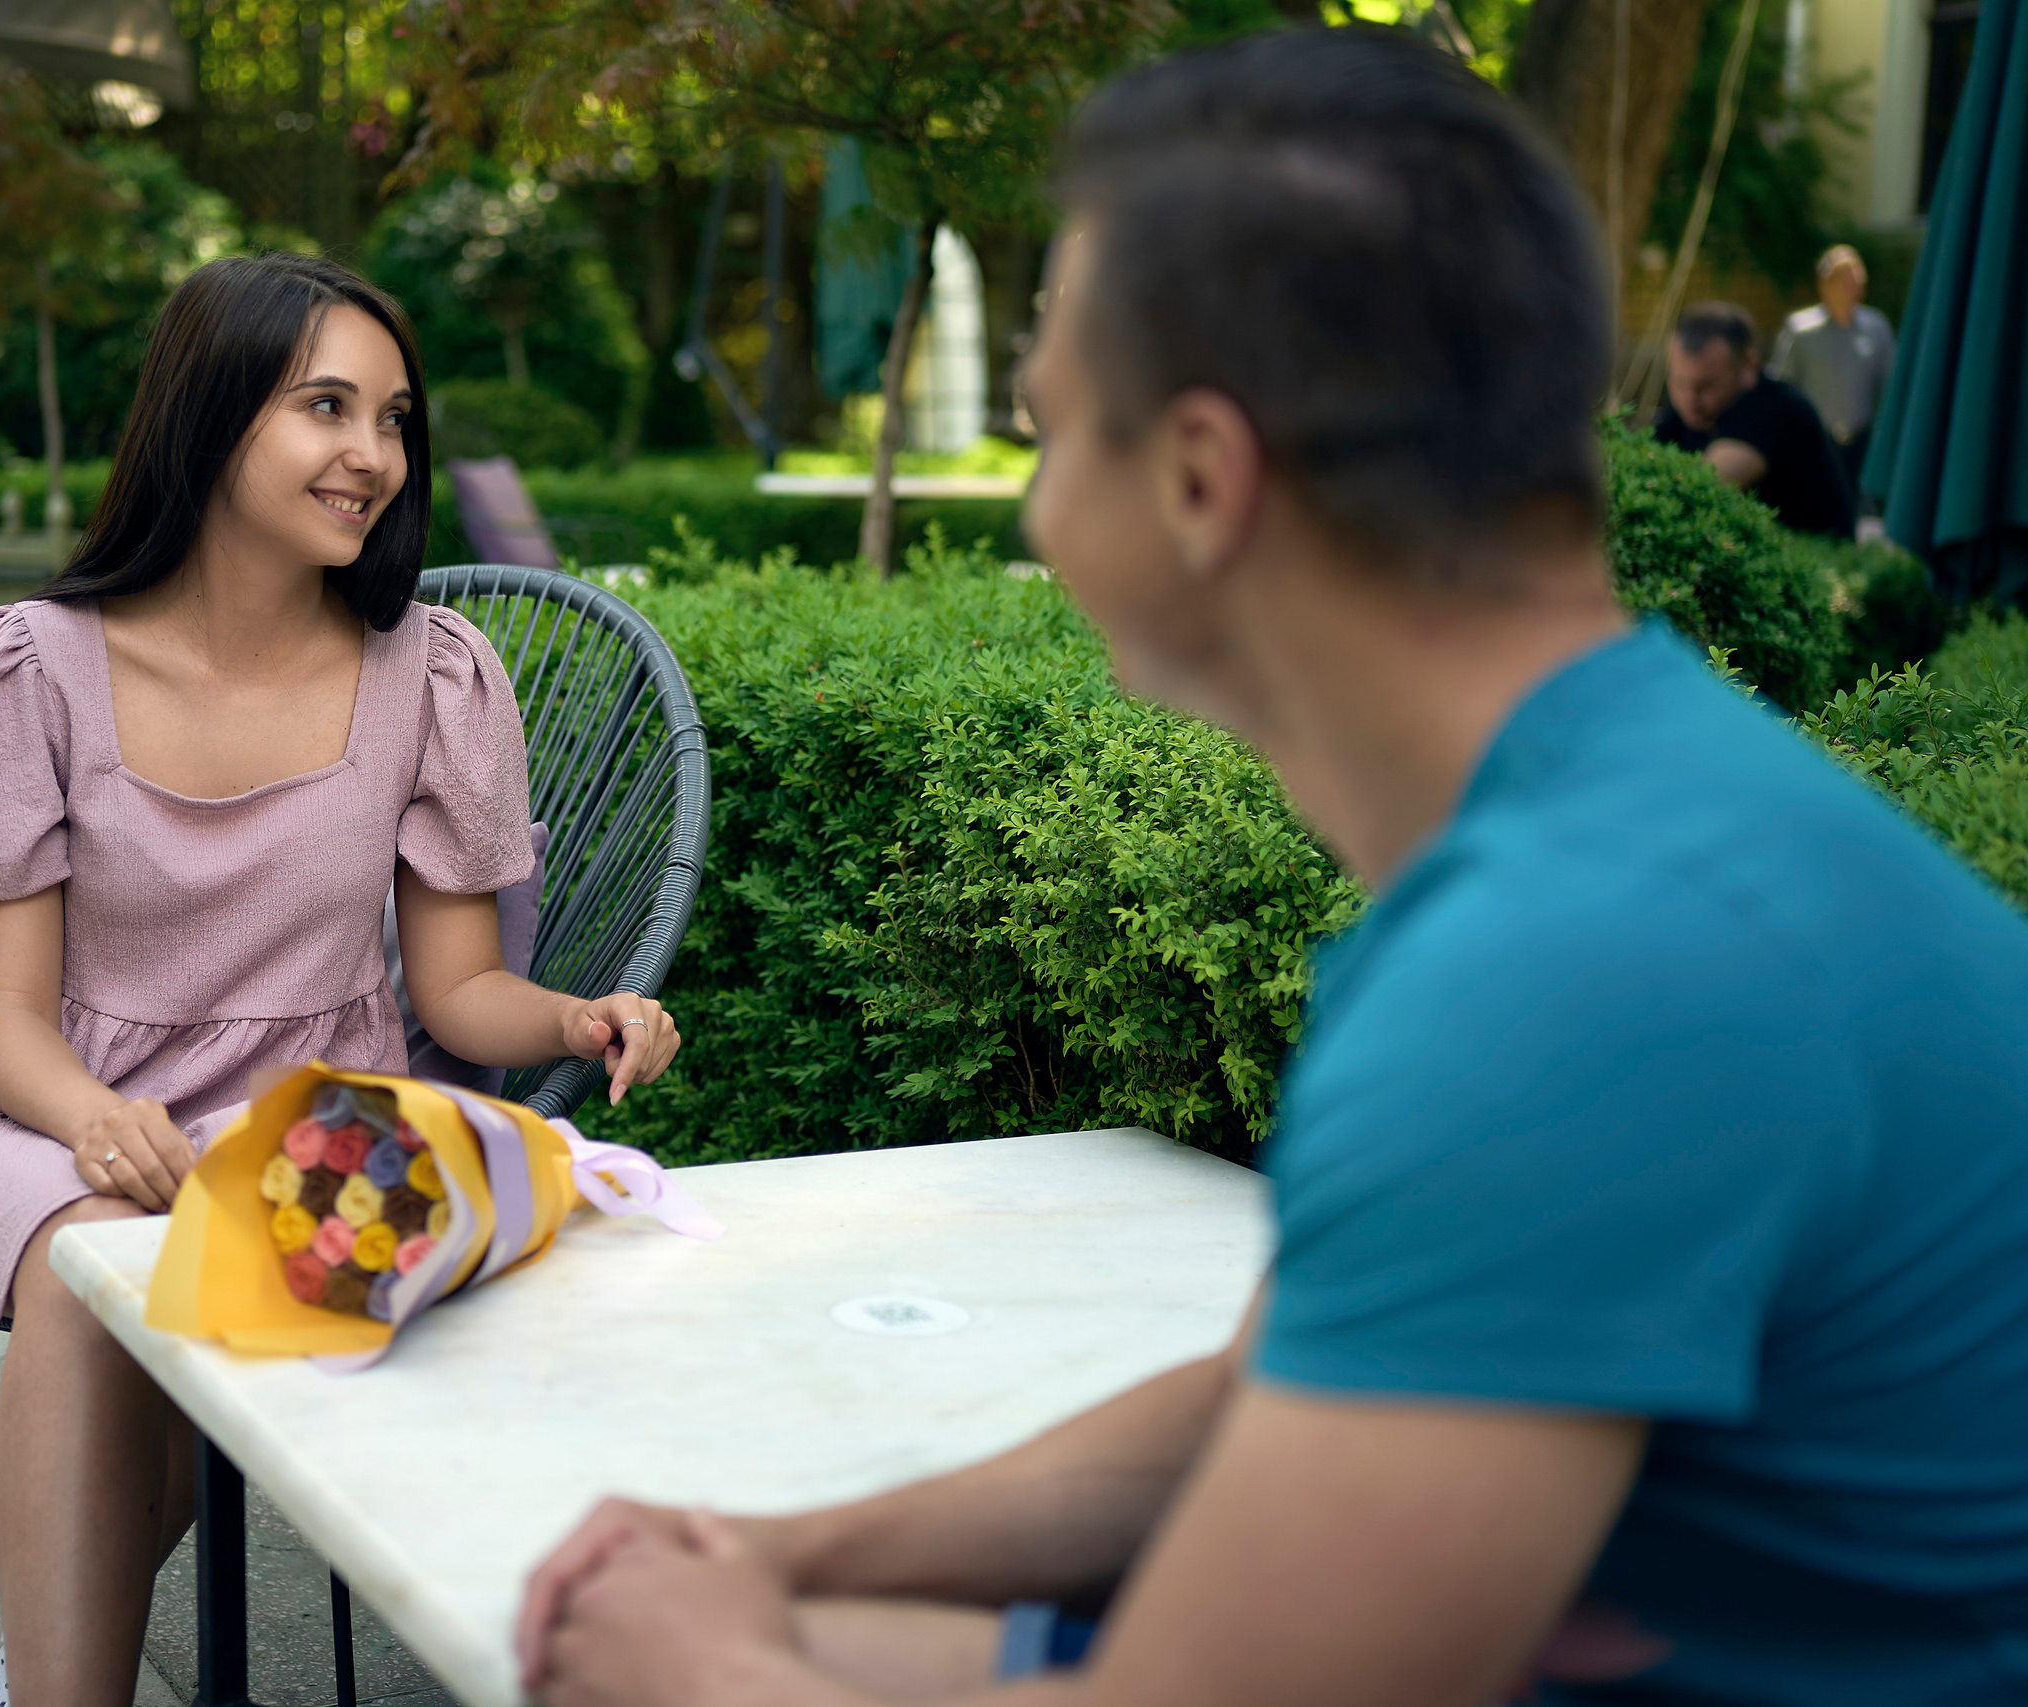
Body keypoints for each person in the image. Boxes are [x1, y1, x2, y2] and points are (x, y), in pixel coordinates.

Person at [516, 28, 2028, 1707]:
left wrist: (704, 1673)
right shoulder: (1619, 817)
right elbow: (1265, 1400)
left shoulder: (1569, 968)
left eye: (1051, 435)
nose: (1035, 521)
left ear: (1199, 479)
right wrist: (788, 1557)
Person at [0, 254, 684, 1707]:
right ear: (208, 414)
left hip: (307, 1121)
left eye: (392, 417)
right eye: (325, 405)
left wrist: (576, 1017)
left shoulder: (430, 675)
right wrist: (91, 1117)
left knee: (210, 1274)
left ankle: (59, 1626)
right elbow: (1, 1016)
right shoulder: (28, 669)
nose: (371, 454)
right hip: (36, 1112)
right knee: (87, 1261)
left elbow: (458, 994)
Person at [1652, 302, 1855, 538]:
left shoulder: (1777, 408)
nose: (1690, 400)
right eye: (1679, 383)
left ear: (1748, 366)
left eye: (1706, 385)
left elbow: (1700, 490)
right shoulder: (1686, 414)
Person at [1769, 244, 1897, 493]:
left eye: (1857, 280)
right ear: (1825, 284)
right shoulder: (1800, 329)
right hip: (1813, 441)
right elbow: (1782, 386)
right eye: (1845, 280)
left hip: (1861, 441)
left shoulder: (1876, 327)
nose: (1853, 287)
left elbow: (1890, 384)